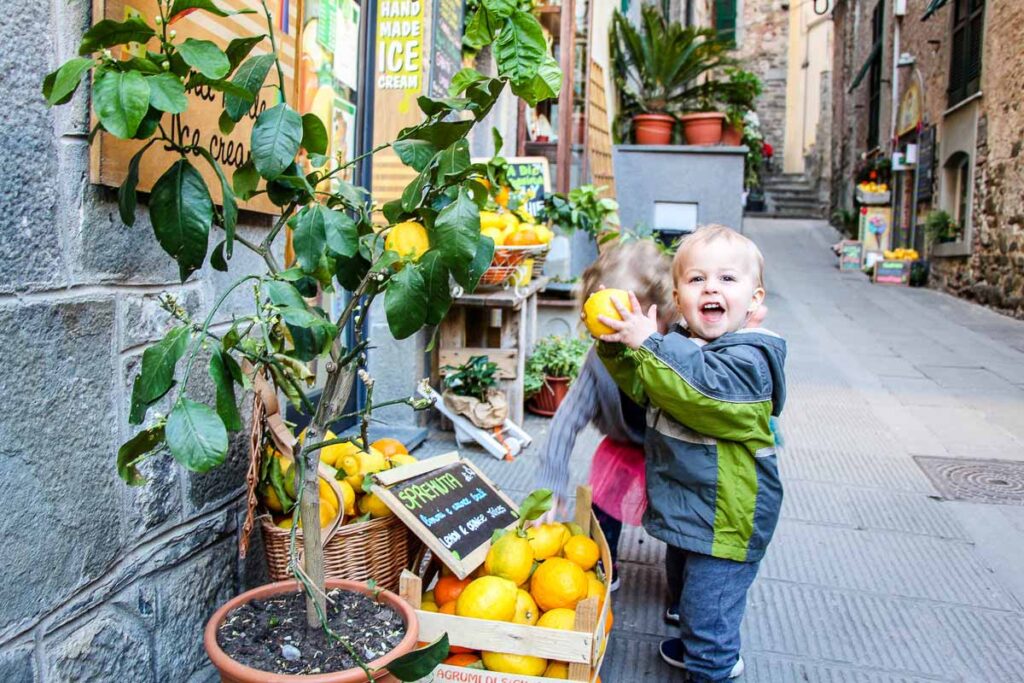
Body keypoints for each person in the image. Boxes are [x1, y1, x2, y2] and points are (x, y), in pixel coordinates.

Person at [595, 224, 787, 681]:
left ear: (754, 300)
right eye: (697, 279)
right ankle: (699, 637)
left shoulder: (749, 361)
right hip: (697, 507)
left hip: (729, 518)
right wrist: (618, 347)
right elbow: (648, 387)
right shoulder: (681, 349)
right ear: (678, 299)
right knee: (685, 584)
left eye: (727, 279)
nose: (711, 288)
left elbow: (699, 391)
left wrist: (652, 345)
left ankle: (713, 663)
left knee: (709, 600)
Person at [535, 240, 675, 589]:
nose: (619, 335)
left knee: (681, 515)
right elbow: (566, 421)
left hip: (674, 446)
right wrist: (549, 487)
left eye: (630, 320)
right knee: (604, 500)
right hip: (624, 443)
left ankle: (683, 585)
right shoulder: (600, 360)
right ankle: (604, 560)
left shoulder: (677, 348)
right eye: (609, 327)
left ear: (660, 313)